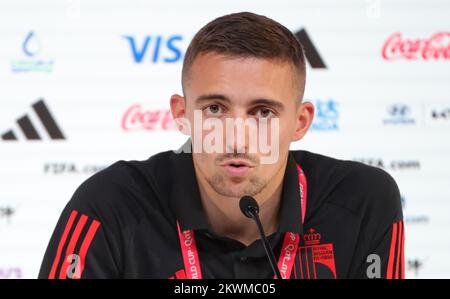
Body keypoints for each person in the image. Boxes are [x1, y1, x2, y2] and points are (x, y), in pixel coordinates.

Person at [39, 12, 404, 279]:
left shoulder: (362, 201)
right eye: (215, 108)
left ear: (301, 122)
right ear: (182, 114)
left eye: (263, 112)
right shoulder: (110, 205)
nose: (237, 136)